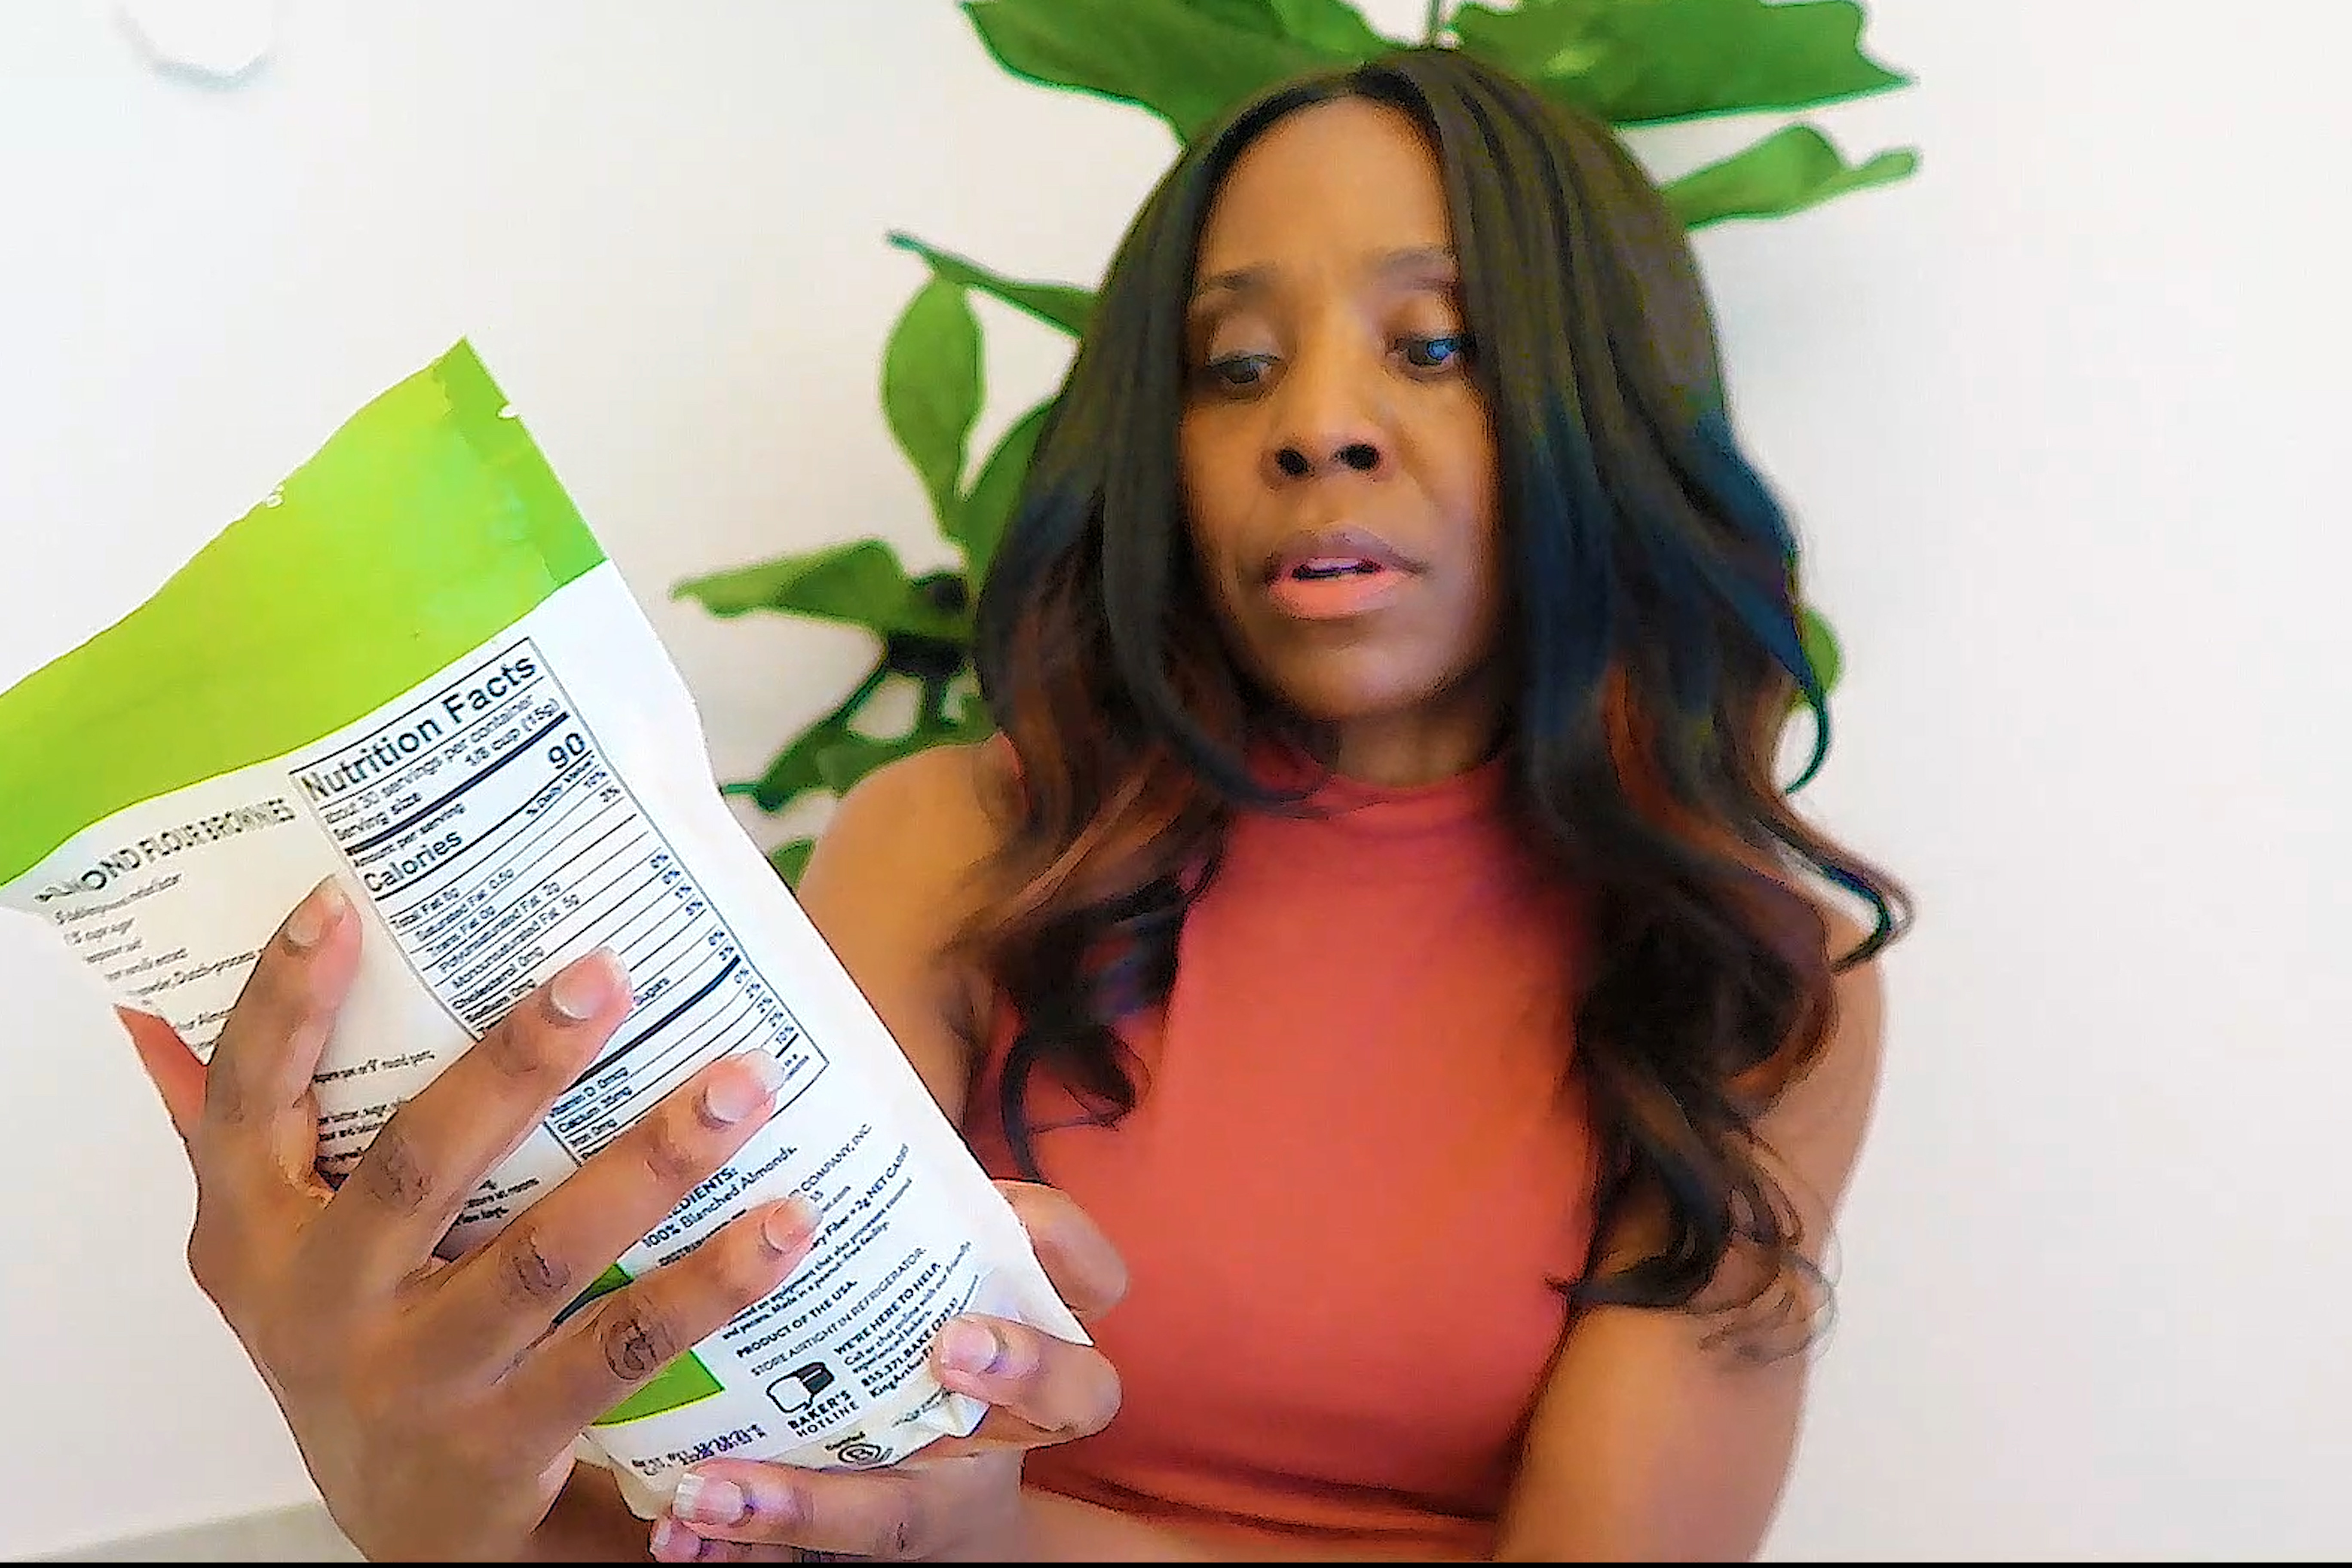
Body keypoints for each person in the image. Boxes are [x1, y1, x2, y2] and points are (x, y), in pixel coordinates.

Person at [119, 46, 1907, 1563]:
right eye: (1234, 365)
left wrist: (1004, 1544)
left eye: (1432, 346)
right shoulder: (956, 845)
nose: (1319, 426)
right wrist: (432, 1487)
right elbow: (734, 1503)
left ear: (1604, 414)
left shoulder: (1759, 990)